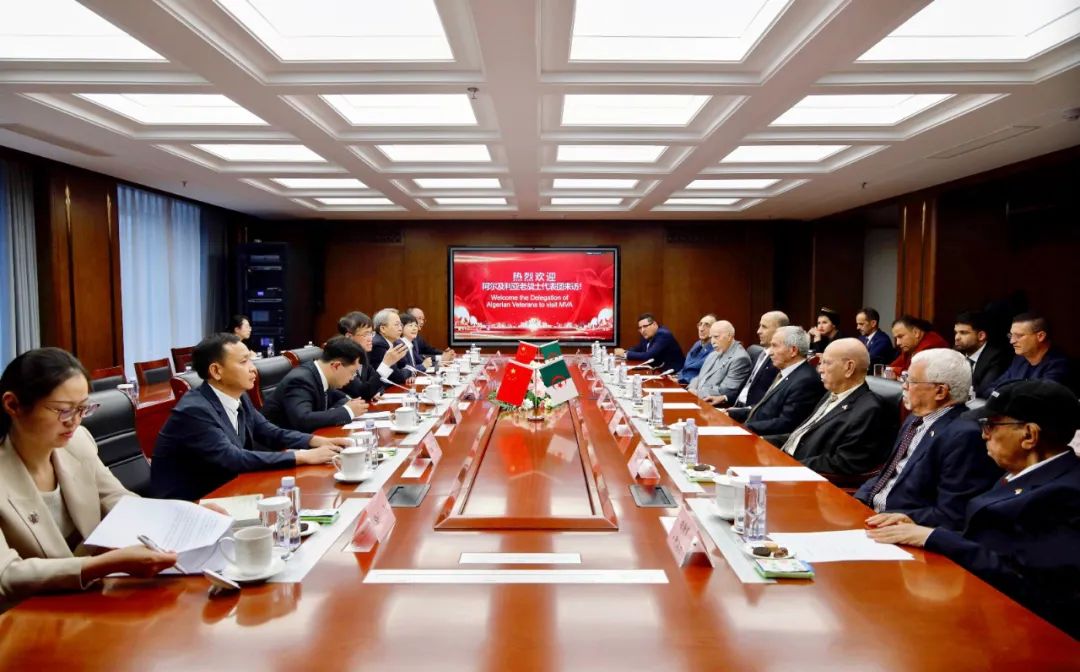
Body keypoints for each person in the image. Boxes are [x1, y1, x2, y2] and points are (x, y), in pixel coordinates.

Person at [867, 380, 1080, 639]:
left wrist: (935, 537)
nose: (983, 435)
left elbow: (1027, 581)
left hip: (1017, 632)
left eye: (990, 425)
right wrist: (921, 528)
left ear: (1029, 436)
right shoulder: (1022, 474)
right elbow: (987, 536)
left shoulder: (1065, 495)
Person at [1, 348, 177, 603]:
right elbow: (6, 574)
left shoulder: (78, 441)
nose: (75, 421)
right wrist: (102, 565)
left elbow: (118, 500)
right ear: (13, 405)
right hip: (24, 613)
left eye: (83, 408)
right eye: (63, 410)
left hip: (90, 600)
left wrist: (185, 515)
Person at [151, 334, 347, 501]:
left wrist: (316, 440)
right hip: (192, 504)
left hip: (229, 490)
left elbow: (268, 431)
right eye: (244, 362)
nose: (254, 368)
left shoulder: (239, 396)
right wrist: (302, 456)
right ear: (216, 371)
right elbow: (233, 458)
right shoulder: (194, 410)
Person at [858, 349, 1002, 529]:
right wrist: (858, 500)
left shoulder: (965, 436)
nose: (903, 386)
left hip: (901, 529)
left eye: (910, 380)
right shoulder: (915, 419)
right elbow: (886, 474)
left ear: (940, 391)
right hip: (869, 515)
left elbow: (952, 514)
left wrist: (897, 518)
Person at [779, 338, 896, 476]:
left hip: (806, 477)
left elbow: (843, 462)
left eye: (826, 363)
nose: (820, 369)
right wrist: (764, 441)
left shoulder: (869, 409)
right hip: (786, 461)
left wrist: (788, 467)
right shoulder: (831, 394)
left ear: (849, 368)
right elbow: (803, 435)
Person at [726, 326, 824, 436]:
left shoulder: (805, 381)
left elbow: (786, 423)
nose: (770, 353)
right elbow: (765, 408)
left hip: (765, 440)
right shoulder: (785, 372)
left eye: (775, 346)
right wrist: (731, 413)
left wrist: (744, 427)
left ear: (793, 351)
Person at [261, 336, 369, 432]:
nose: (352, 378)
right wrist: (348, 411)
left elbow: (341, 399)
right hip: (280, 445)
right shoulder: (301, 380)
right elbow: (303, 420)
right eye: (352, 372)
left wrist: (347, 406)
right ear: (336, 366)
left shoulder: (322, 376)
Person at [718, 311, 788, 409]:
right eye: (759, 326)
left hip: (750, 412)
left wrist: (737, 412)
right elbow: (746, 389)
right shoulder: (757, 353)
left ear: (779, 331)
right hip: (735, 406)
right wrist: (725, 398)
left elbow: (769, 401)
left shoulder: (781, 361)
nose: (758, 331)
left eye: (764, 327)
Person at [989, 313, 1070, 391]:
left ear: (1041, 336)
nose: (1012, 341)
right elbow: (991, 388)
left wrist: (1004, 393)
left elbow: (1038, 396)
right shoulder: (1019, 360)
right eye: (1011, 335)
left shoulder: (1058, 365)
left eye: (1018, 336)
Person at [337, 311, 405, 401]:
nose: (370, 339)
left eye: (371, 333)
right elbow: (362, 392)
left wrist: (376, 392)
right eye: (365, 334)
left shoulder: (362, 356)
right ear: (349, 337)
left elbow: (378, 384)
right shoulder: (342, 360)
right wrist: (385, 364)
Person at [688, 321, 751, 403]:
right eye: (711, 337)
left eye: (716, 337)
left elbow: (726, 390)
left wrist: (697, 393)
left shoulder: (740, 358)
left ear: (729, 336)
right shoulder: (714, 353)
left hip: (714, 404)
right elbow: (699, 377)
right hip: (697, 398)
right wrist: (691, 388)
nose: (712, 342)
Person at [954, 310, 1012, 399]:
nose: (957, 337)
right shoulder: (955, 353)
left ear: (981, 336)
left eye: (963, 333)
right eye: (956, 333)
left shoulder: (997, 357)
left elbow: (983, 391)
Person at [615, 313, 685, 373]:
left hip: (674, 373)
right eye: (640, 328)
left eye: (645, 326)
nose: (642, 330)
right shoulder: (648, 335)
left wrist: (625, 353)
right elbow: (637, 349)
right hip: (659, 371)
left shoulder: (663, 334)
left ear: (654, 324)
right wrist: (623, 353)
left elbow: (648, 356)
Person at [370, 308, 412, 386]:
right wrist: (409, 371)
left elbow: (406, 365)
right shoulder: (378, 345)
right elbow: (398, 377)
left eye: (401, 325)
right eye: (396, 325)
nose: (400, 329)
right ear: (383, 328)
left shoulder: (395, 342)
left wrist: (408, 371)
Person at [677, 314, 717, 385]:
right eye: (700, 324)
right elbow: (686, 366)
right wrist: (677, 377)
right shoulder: (697, 344)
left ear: (715, 329)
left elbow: (700, 373)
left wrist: (681, 380)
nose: (701, 329)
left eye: (707, 325)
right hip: (681, 380)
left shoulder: (716, 348)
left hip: (693, 384)